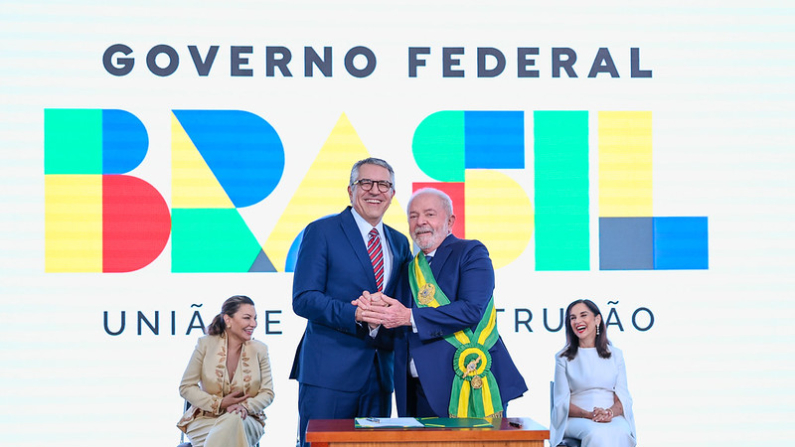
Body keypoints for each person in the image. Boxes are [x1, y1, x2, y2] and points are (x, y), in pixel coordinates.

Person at [357, 188, 527, 418]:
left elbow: (471, 309)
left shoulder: (470, 252)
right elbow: (398, 326)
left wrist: (409, 317)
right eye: (414, 216)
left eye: (429, 214)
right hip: (416, 392)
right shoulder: (408, 268)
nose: (420, 222)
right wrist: (374, 317)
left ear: (450, 221)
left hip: (466, 381)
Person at [290, 158, 411, 447]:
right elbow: (304, 298)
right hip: (329, 372)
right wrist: (356, 313)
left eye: (383, 184)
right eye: (365, 182)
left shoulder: (400, 242)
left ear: (392, 194)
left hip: (380, 374)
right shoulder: (322, 231)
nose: (374, 190)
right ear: (350, 190)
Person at [177, 295, 274, 447]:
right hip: (205, 422)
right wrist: (220, 403)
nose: (253, 324)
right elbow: (186, 387)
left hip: (246, 420)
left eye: (255, 318)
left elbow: (267, 393)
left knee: (234, 418)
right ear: (228, 319)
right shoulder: (205, 345)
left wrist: (244, 407)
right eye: (247, 318)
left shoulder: (260, 350)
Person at [550, 299, 637, 447]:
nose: (578, 321)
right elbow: (561, 402)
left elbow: (622, 397)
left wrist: (608, 413)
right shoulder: (562, 358)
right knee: (597, 433)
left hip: (611, 416)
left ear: (597, 319)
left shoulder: (616, 355)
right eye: (573, 318)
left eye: (583, 315)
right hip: (577, 418)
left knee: (621, 431)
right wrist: (590, 415)